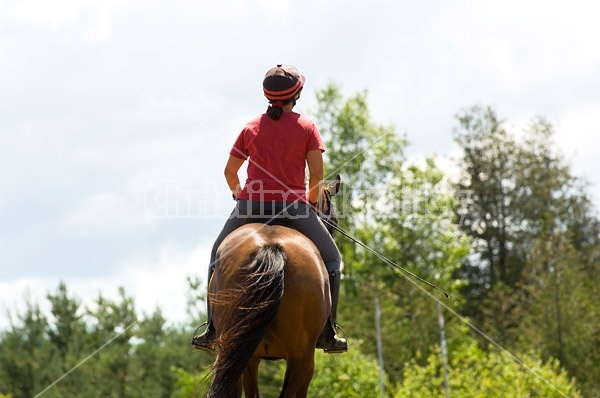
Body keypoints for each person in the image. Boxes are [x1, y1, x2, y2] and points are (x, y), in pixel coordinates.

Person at [192, 64, 347, 354]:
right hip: (296, 209)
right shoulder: (307, 128)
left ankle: (212, 328)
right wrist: (311, 203)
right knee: (333, 261)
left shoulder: (250, 128)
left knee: (217, 255)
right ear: (297, 94)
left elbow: (230, 172)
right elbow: (316, 178)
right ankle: (329, 332)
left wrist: (240, 195)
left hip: (251, 205)